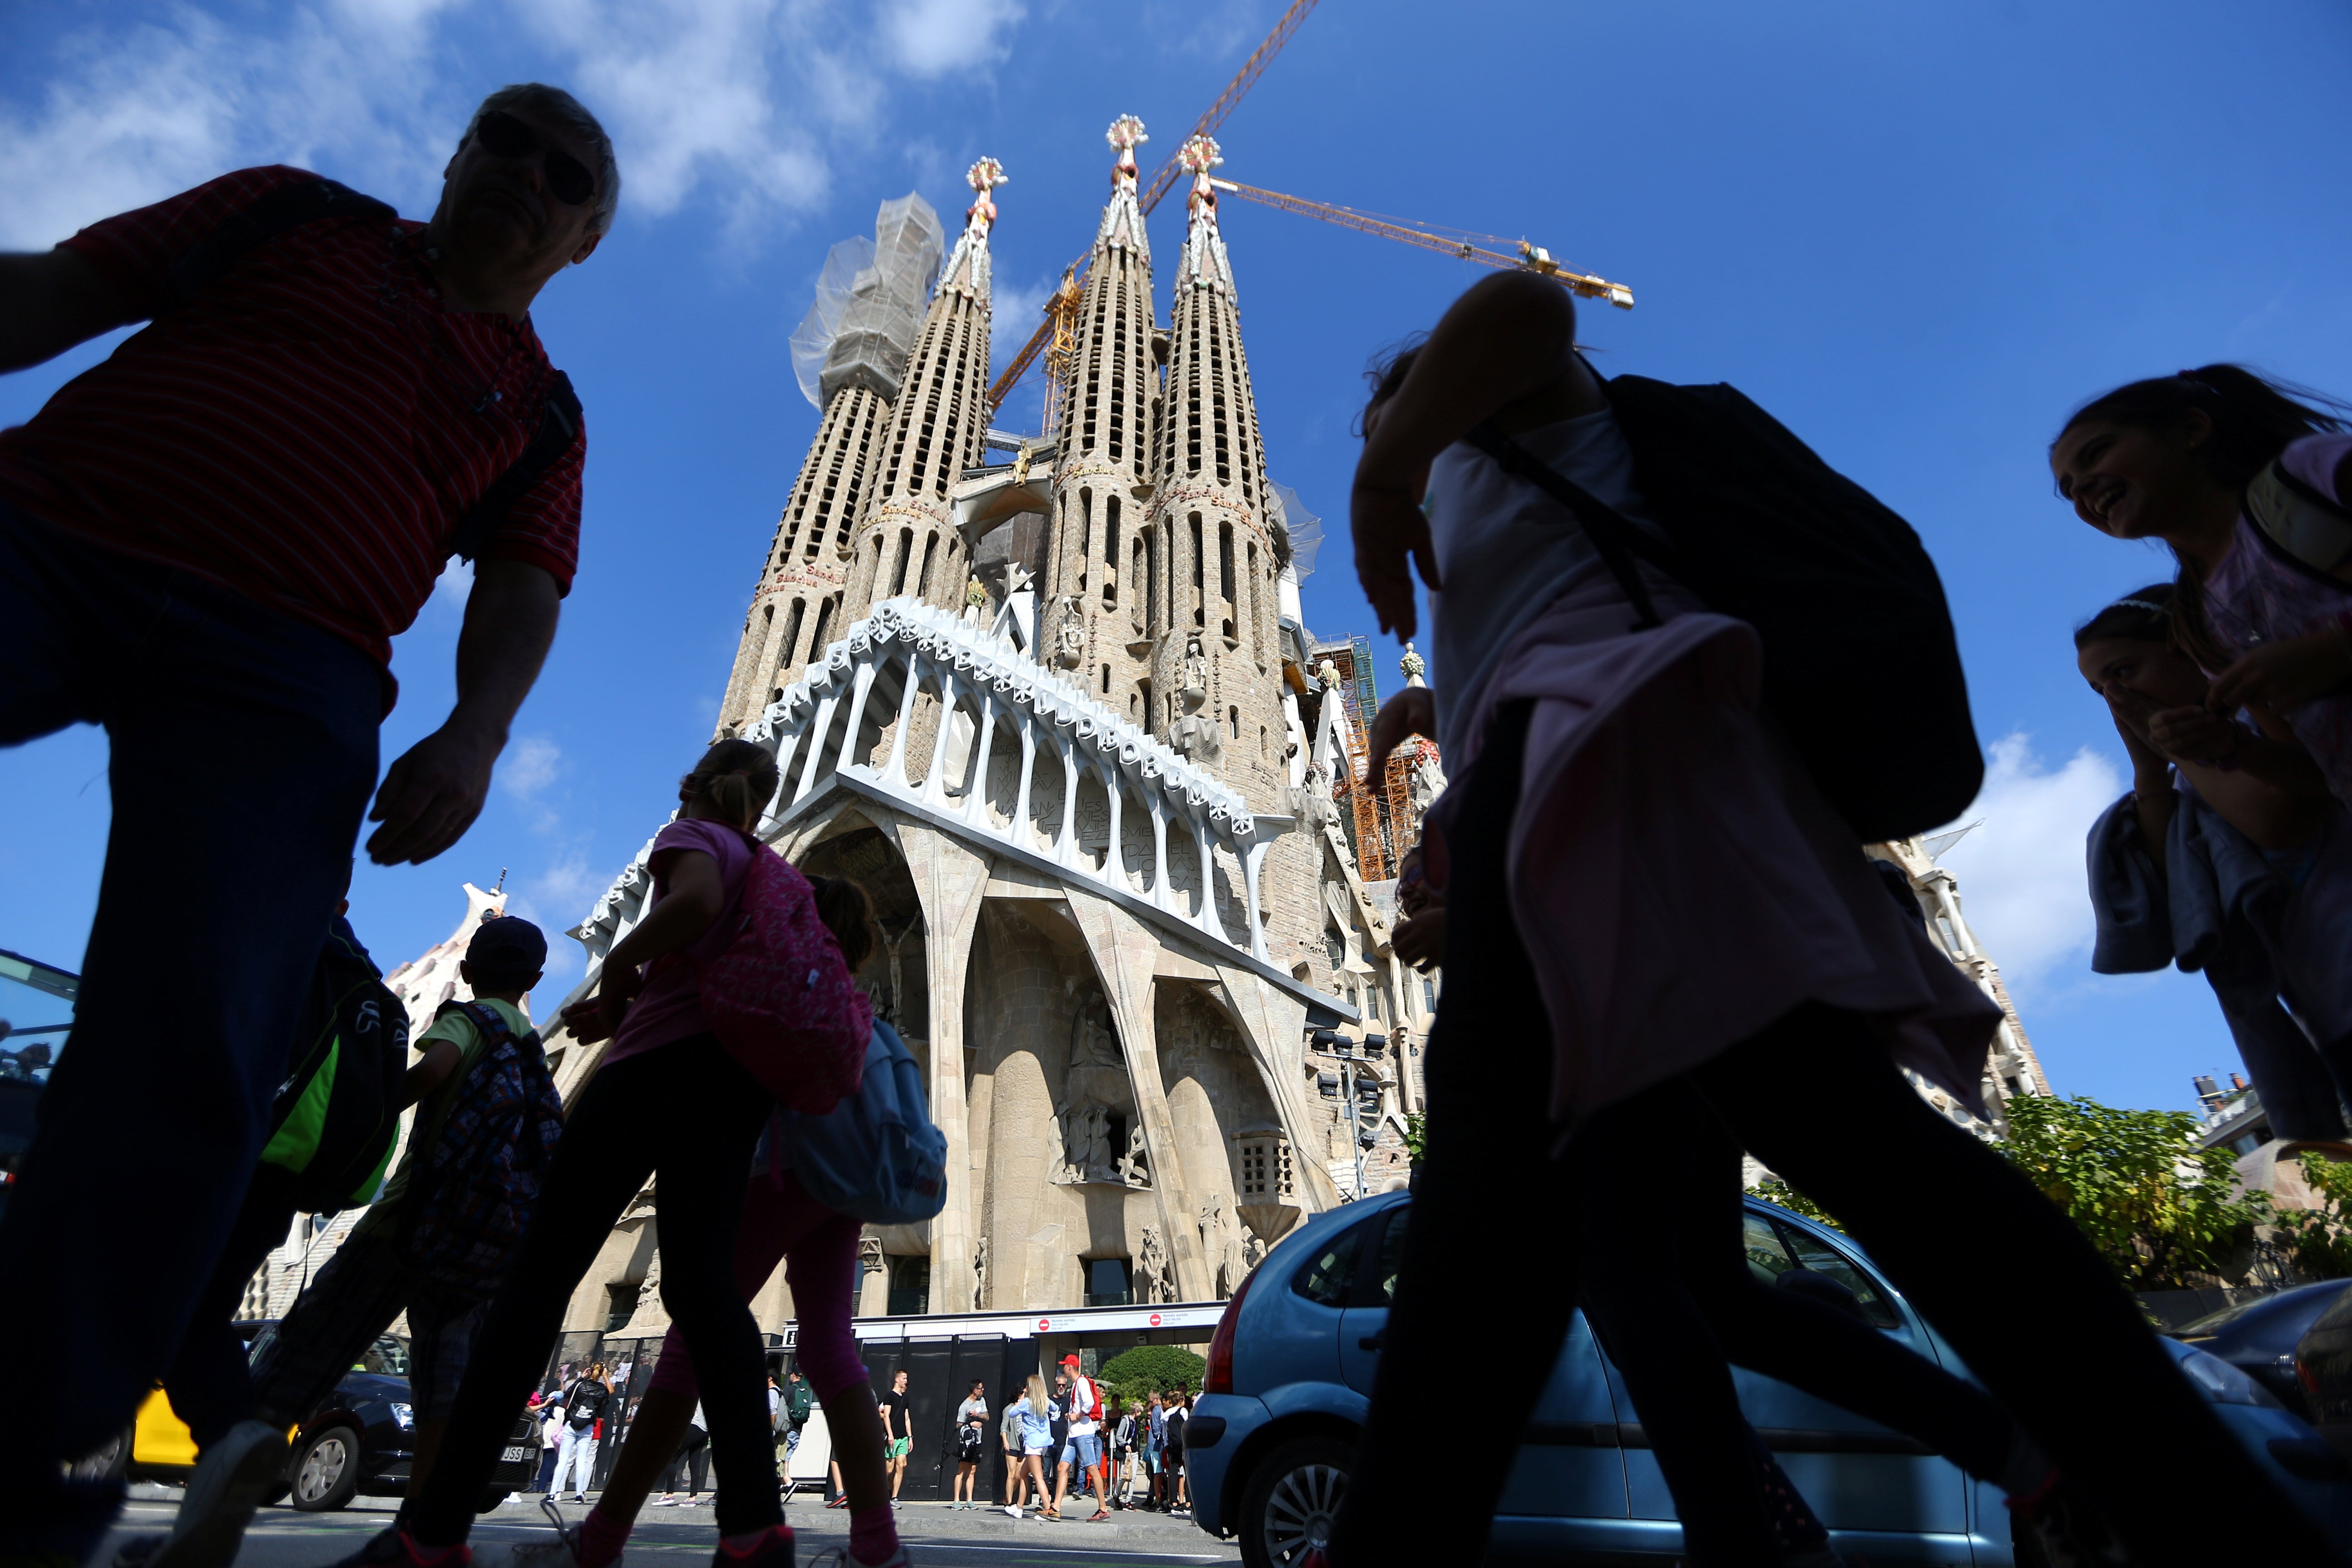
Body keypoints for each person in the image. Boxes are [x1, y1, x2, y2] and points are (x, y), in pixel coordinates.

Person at [1325, 271, 2342, 1568]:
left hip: (1636, 776)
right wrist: (1443, 731)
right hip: (1601, 799)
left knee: (1520, 1240)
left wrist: (1386, 467)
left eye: (1388, 419)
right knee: (1740, 1197)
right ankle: (2190, 1503)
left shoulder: (1498, 412)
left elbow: (1528, 304)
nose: (1382, 456)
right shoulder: (1486, 502)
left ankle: (2196, 1509)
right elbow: (1548, 630)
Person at [0, 83, 612, 1562]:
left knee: (187, 1044)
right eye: (508, 144)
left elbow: (522, 586)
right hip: (57, 534)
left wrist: (474, 734)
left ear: (581, 240)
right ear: (457, 159)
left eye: (566, 176)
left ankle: (25, 1484)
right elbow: (67, 288)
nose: (527, 175)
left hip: (287, 667)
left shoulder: (538, 406)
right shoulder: (296, 214)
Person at [363, 739, 860, 1568]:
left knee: (536, 1280)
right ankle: (752, 1527)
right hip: (732, 1089)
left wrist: (621, 961)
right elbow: (707, 965)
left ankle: (434, 1531)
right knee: (706, 1295)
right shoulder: (770, 872)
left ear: (690, 789)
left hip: (651, 1078)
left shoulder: (691, 839)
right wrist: (626, 1000)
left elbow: (690, 905)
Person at [500, 875, 905, 1568]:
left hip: (781, 1167)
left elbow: (715, 1037)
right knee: (831, 1348)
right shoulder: (864, 1010)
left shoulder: (793, 974)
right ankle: (877, 1548)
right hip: (847, 1183)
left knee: (692, 1336)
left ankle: (602, 1540)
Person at [136, 916, 555, 1568]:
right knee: (443, 1387)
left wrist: (383, 1100)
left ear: (469, 970)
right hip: (475, 1246)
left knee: (301, 1358)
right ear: (534, 980)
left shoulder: (468, 1022)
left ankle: (208, 1524)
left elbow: (433, 1071)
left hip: (407, 1225)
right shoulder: (532, 1044)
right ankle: (425, 1535)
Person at [2078, 585, 2352, 1138]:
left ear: (2189, 649)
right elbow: (2172, 897)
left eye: (2125, 671)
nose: (2115, 697)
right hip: (2331, 1014)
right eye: (2098, 688)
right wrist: (2151, 773)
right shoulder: (2186, 783)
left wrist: (2180, 749)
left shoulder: (2268, 725)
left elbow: (2278, 822)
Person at [2052, 366, 2352, 808]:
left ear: (2191, 430)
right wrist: (2231, 747)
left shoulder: (2303, 481)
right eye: (2068, 489)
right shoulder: (2200, 616)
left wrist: (2338, 650)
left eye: (2095, 455)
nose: (2081, 489)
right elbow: (2321, 776)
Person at [1048, 1354, 1109, 1523]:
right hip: (1075, 1435)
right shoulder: (1077, 1384)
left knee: (1091, 1469)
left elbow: (1089, 1403)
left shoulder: (1081, 1382)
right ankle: (1056, 1508)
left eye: (1064, 1366)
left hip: (1082, 1434)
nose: (1063, 1369)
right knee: (1062, 1467)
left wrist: (1078, 1415)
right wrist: (1074, 1415)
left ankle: (1103, 1509)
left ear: (1070, 1367)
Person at [551, 1365, 612, 1502]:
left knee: (564, 1460)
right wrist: (606, 1377)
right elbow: (603, 1408)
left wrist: (581, 1378)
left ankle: (554, 1493)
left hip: (572, 1423)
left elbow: (567, 1395)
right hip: (588, 1426)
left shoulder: (580, 1385)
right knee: (583, 1461)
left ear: (589, 1372)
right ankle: (580, 1494)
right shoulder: (602, 1390)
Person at [1009, 1374, 1056, 1521]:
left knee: (1039, 1478)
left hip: (1033, 1444)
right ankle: (1019, 1508)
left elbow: (1011, 1413)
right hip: (1044, 1443)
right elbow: (1055, 1408)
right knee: (1023, 1474)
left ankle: (1049, 1511)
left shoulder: (1027, 1402)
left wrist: (1020, 1401)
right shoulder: (1046, 1401)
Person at [649, 1404, 708, 1508]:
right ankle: (692, 1498)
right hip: (704, 1432)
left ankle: (669, 1495)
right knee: (695, 1463)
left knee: (672, 1459)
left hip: (694, 1426)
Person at [951, 1380, 989, 1508]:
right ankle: (956, 1500)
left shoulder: (981, 1401)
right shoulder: (964, 1406)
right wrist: (970, 1424)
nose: (983, 1391)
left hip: (977, 1441)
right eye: (981, 1389)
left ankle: (969, 1500)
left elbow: (987, 1417)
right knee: (962, 1470)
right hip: (966, 1443)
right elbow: (958, 1425)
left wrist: (978, 1415)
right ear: (975, 1390)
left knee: (973, 1470)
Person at [879, 1367, 912, 1505]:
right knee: (889, 1469)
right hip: (892, 1437)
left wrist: (910, 1437)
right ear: (897, 1379)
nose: (906, 1382)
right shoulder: (890, 1396)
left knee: (901, 1466)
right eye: (904, 1379)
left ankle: (894, 1498)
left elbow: (907, 1418)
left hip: (903, 1437)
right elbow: (885, 1415)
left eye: (907, 1379)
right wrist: (890, 1435)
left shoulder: (906, 1398)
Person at [999, 1386, 1027, 1513]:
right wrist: (1005, 1441)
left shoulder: (1027, 1408)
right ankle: (1010, 1502)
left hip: (1024, 1443)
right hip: (1012, 1442)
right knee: (1011, 1473)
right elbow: (1004, 1426)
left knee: (1019, 1475)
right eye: (1024, 1393)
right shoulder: (1010, 1409)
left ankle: (1006, 1498)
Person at [1161, 1389, 1187, 1516]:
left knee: (1173, 1472)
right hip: (1183, 1445)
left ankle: (1174, 1502)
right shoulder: (1183, 1412)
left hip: (1170, 1446)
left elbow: (1164, 1432)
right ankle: (1188, 1502)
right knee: (1187, 1473)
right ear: (1181, 1401)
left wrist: (1166, 1445)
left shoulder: (1167, 1414)